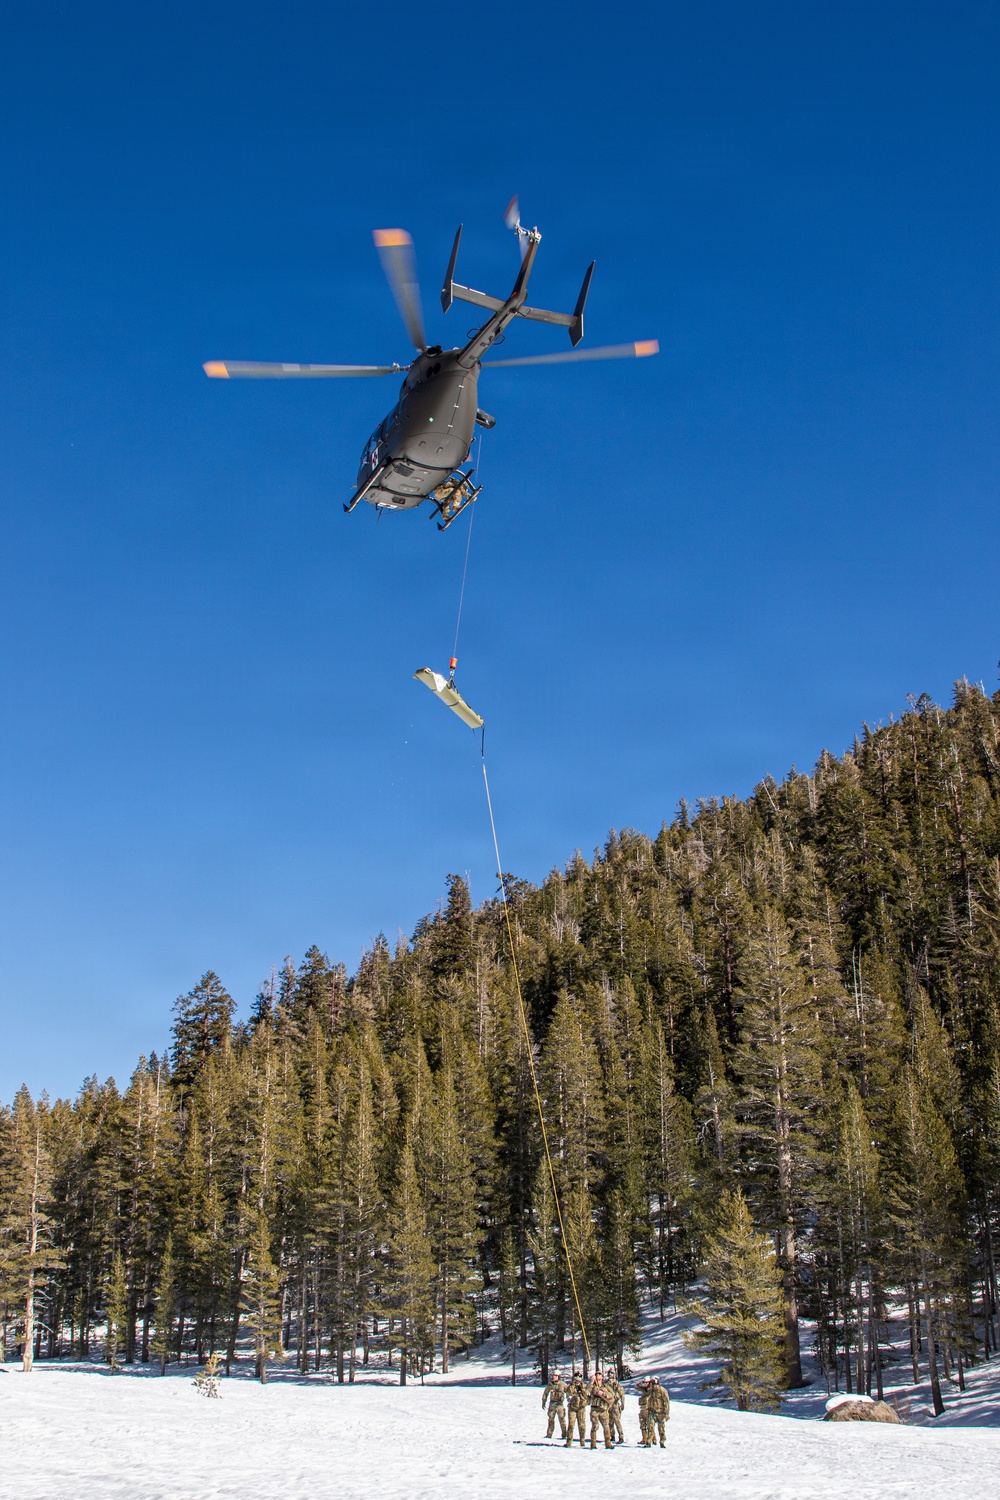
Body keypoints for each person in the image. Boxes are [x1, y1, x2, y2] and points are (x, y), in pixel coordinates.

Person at [587, 1371, 614, 1449]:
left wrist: (604, 1394)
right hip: (594, 1409)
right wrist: (591, 1382)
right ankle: (593, 1444)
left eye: (600, 1377)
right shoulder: (592, 1386)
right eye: (597, 1377)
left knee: (606, 1427)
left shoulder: (606, 1386)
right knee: (595, 1426)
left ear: (602, 1378)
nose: (598, 1379)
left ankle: (608, 1443)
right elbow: (586, 1391)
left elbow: (612, 1395)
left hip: (603, 1410)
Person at [542, 1369, 568, 1440]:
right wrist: (543, 1402)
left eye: (556, 1375)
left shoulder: (563, 1384)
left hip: (560, 1404)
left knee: (562, 1419)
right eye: (553, 1375)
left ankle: (564, 1434)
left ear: (559, 1376)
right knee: (551, 1419)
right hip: (552, 1404)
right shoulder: (550, 1385)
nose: (554, 1377)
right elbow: (545, 1393)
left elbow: (568, 1391)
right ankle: (549, 1434)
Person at [645, 1376, 670, 1447]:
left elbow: (666, 1402)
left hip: (661, 1412)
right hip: (652, 1412)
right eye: (653, 1384)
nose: (654, 1386)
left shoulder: (663, 1391)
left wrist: (666, 1413)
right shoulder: (650, 1391)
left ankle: (662, 1442)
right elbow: (647, 1400)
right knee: (650, 1427)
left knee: (661, 1428)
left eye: (656, 1384)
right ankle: (649, 1442)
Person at [565, 1373, 589, 1448]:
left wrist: (582, 1388)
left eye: (579, 1378)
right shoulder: (571, 1386)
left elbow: (587, 1395)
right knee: (571, 1425)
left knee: (582, 1425)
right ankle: (569, 1442)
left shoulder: (584, 1386)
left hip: (581, 1408)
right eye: (576, 1378)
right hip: (572, 1408)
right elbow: (568, 1393)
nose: (577, 1380)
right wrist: (573, 1385)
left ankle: (582, 1442)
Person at [604, 1369, 625, 1443]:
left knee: (617, 1421)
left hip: (615, 1405)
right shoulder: (605, 1383)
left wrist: (622, 1403)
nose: (610, 1374)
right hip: (608, 1404)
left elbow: (622, 1394)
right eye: (609, 1373)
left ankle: (621, 1436)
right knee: (609, 1422)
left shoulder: (617, 1384)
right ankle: (612, 1435)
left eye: (611, 1373)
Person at [637, 1378, 652, 1446]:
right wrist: (641, 1382)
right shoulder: (644, 1389)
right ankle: (644, 1439)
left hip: (648, 1408)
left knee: (649, 1425)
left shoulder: (651, 1389)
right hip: (642, 1408)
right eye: (644, 1382)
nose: (645, 1384)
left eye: (647, 1382)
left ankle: (651, 1439)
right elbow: (636, 1387)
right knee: (642, 1424)